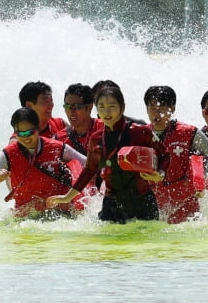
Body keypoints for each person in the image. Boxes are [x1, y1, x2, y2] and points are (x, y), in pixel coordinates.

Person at [46, 86, 164, 224]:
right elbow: (89, 170)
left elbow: (165, 153)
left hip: (142, 201)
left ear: (122, 107)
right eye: (101, 106)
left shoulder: (139, 131)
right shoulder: (96, 139)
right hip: (112, 203)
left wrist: (160, 174)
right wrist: (67, 197)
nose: (106, 111)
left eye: (112, 106)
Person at [0, 108, 86, 219]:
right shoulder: (9, 153)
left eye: (29, 132)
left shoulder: (57, 147)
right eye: (20, 134)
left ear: (37, 129)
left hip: (60, 213)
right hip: (27, 217)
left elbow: (88, 164)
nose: (25, 138)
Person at [141, 85, 208, 224]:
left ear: (172, 108)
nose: (156, 113)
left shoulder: (189, 132)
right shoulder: (140, 134)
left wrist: (200, 180)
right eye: (152, 107)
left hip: (186, 203)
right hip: (153, 203)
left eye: (162, 108)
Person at [56, 83, 105, 196]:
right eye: (68, 107)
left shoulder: (104, 129)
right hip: (78, 195)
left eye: (77, 107)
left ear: (89, 107)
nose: (71, 112)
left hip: (105, 189)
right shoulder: (60, 138)